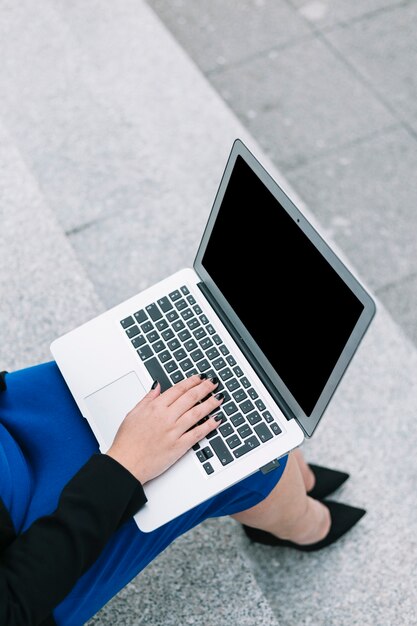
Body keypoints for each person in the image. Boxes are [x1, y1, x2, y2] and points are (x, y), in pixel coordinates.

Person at [0, 362, 365, 626]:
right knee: (230, 461)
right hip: (28, 562)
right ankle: (305, 523)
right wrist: (124, 466)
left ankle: (292, 480)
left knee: (172, 372)